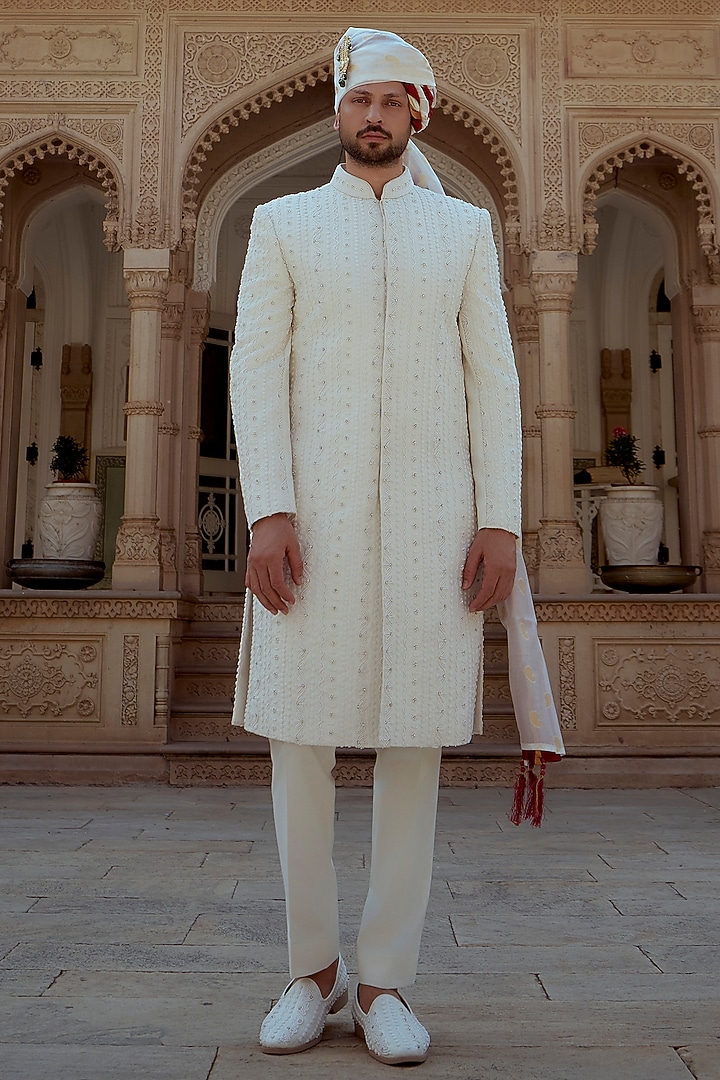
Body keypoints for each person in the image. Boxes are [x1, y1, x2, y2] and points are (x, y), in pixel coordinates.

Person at [229, 26, 563, 1066]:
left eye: (391, 102)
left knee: (415, 748)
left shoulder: (462, 232)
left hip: (434, 525)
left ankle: (383, 982)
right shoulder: (282, 224)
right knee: (300, 746)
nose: (372, 117)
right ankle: (311, 971)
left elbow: (492, 385)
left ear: (421, 111)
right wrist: (269, 509)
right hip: (311, 525)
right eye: (357, 100)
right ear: (338, 110)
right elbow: (256, 373)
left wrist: (500, 519)